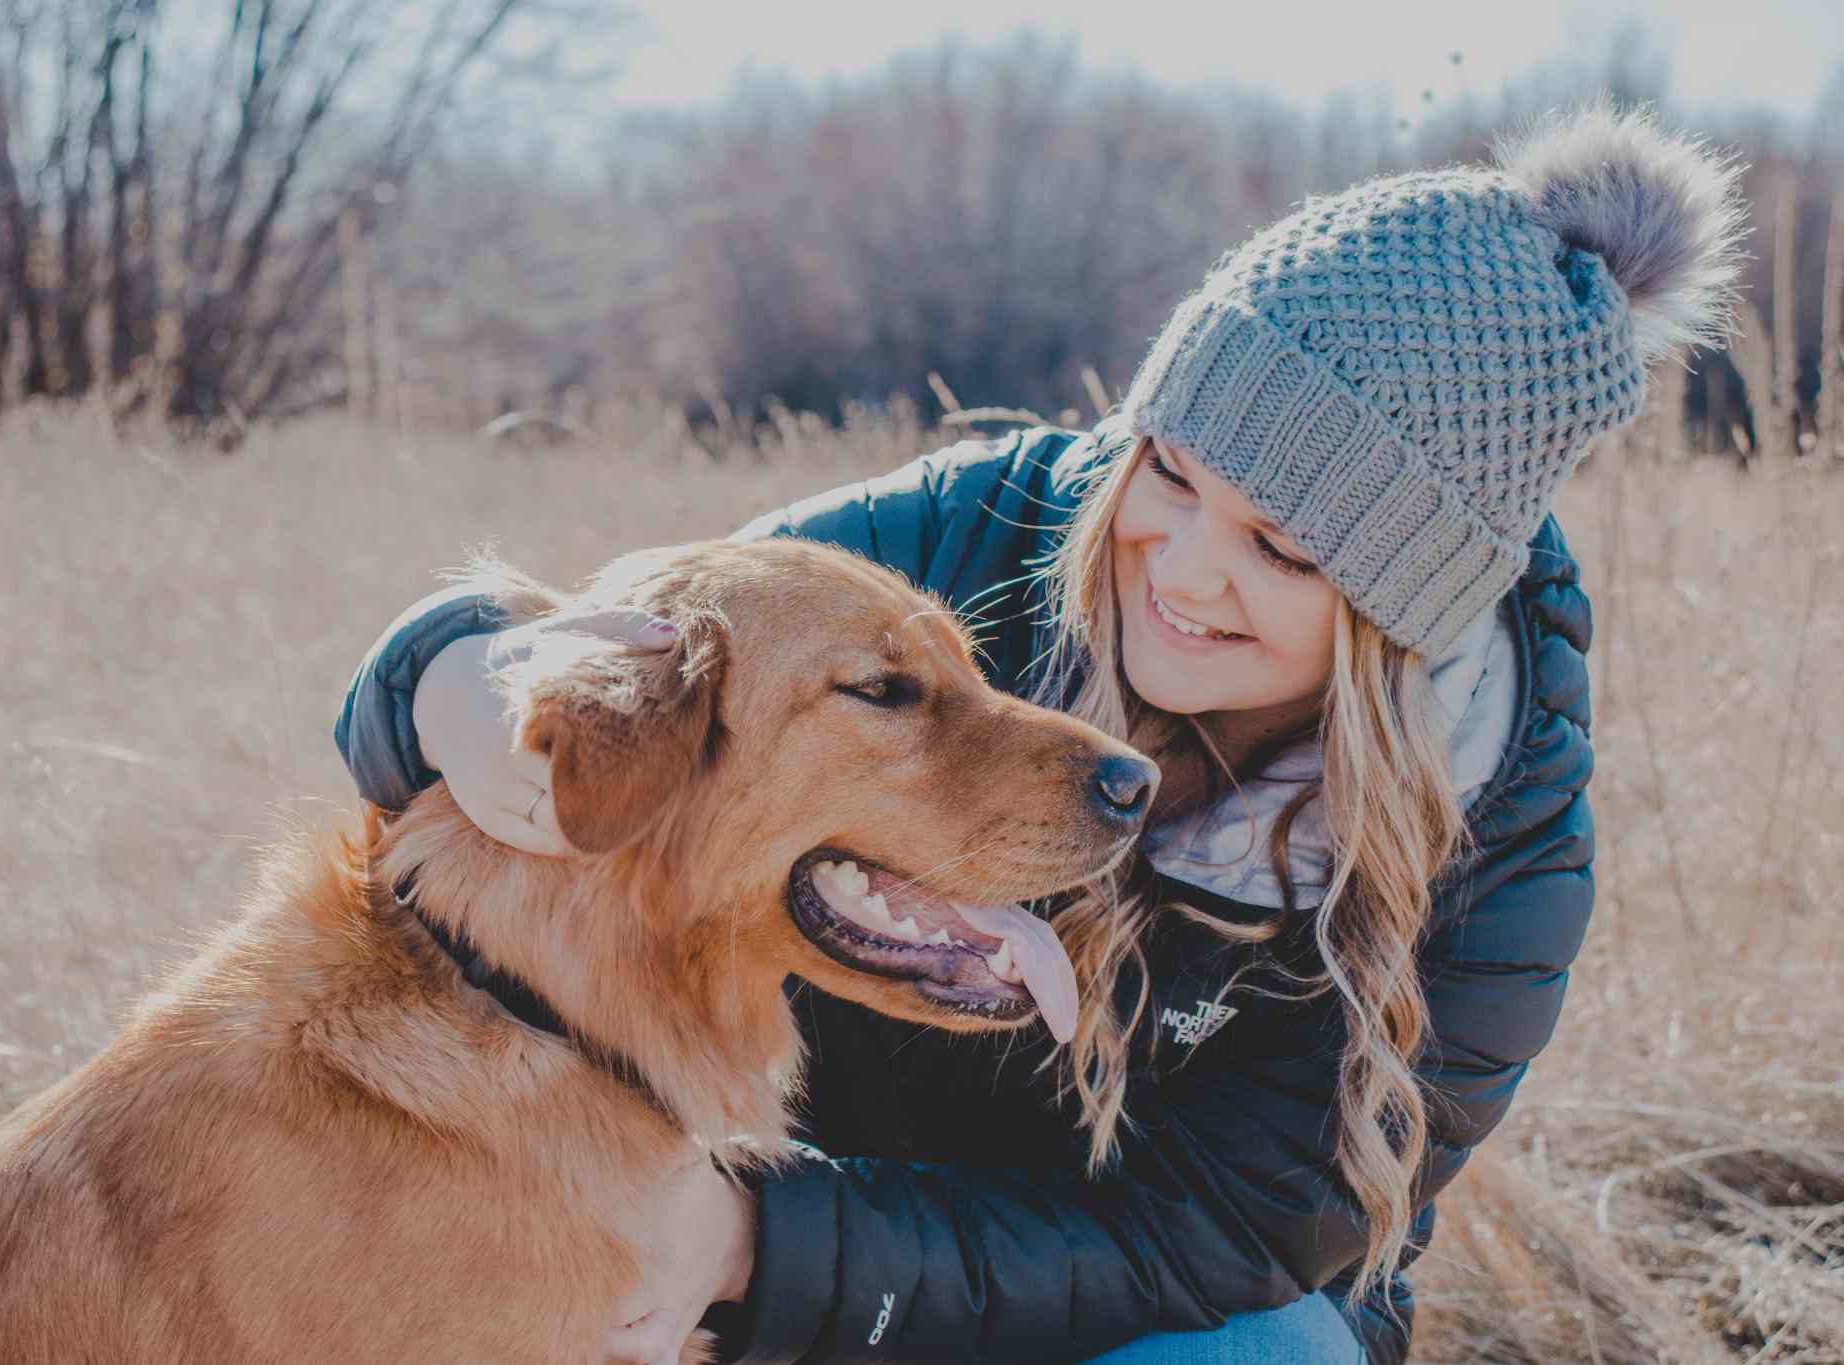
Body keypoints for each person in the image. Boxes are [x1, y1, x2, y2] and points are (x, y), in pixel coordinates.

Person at [332, 97, 1748, 1364]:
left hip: (1112, 1310)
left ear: (1400, 606)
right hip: (785, 1267)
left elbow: (1218, 1235)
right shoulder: (981, 528)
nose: (1183, 568)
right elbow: (632, 661)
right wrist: (448, 675)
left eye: (1283, 547)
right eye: (1175, 472)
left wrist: (765, 1243)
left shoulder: (1501, 837)